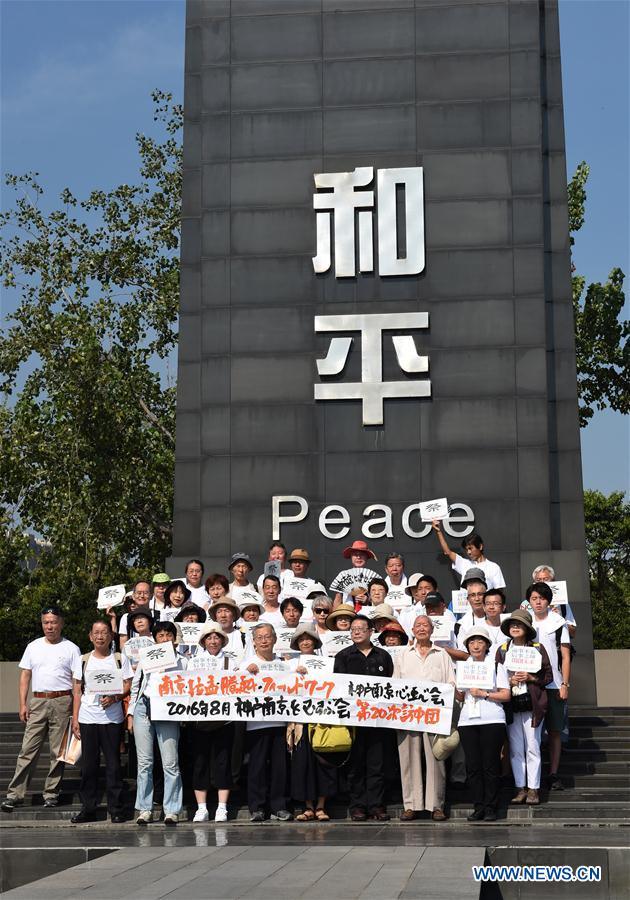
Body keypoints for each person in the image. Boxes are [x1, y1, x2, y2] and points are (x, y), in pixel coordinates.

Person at [1, 606, 82, 812]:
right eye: (46, 622)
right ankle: (15, 794)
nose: (49, 626)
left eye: (53, 622)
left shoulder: (71, 648)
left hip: (62, 701)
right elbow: (25, 676)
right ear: (42, 623)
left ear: (61, 623)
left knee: (58, 752)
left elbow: (76, 683)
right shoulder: (33, 646)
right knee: (28, 750)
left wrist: (75, 712)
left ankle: (51, 793)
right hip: (38, 701)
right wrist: (22, 703)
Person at [70, 620, 132, 823]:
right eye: (96, 632)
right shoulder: (82, 660)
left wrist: (115, 697)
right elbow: (77, 691)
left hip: (112, 719)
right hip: (88, 717)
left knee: (114, 765)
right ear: (90, 636)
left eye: (104, 632)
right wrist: (76, 718)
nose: (100, 636)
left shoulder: (120, 659)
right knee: (89, 766)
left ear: (111, 635)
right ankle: (88, 808)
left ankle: (116, 809)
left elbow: (128, 685)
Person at [394, 615, 455, 821]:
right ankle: (411, 804)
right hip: (408, 714)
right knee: (408, 759)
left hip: (435, 715)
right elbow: (394, 686)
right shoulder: (403, 655)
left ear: (432, 629)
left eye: (425, 625)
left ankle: (436, 805)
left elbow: (451, 683)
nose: (421, 628)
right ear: (412, 629)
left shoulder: (442, 654)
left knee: (436, 758)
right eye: (418, 625)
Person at [334, 616, 394, 821]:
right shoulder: (343, 656)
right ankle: (358, 806)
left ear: (371, 631)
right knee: (356, 765)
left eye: (361, 628)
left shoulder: (383, 656)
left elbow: (391, 686)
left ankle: (377, 805)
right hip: (354, 721)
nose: (356, 632)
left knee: (377, 764)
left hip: (379, 720)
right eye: (353, 629)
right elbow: (338, 688)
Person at [128, 620, 185, 826]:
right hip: (144, 706)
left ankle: (172, 810)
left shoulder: (183, 661)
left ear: (174, 638)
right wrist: (130, 714)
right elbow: (136, 686)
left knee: (170, 762)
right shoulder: (146, 659)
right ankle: (145, 809)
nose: (165, 638)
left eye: (168, 635)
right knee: (145, 763)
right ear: (155, 639)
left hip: (168, 710)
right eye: (160, 635)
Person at [495, 609, 552, 806]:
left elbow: (548, 677)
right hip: (512, 705)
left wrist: (531, 678)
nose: (515, 627)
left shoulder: (537, 648)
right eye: (512, 624)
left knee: (533, 746)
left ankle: (534, 789)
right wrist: (508, 681)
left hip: (532, 704)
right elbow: (494, 678)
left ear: (527, 628)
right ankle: (520, 788)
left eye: (519, 624)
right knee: (516, 749)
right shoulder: (502, 649)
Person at [455, 626, 511, 822]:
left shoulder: (496, 666)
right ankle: (478, 806)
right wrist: (456, 689)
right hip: (467, 720)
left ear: (487, 645)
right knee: (473, 766)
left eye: (479, 641)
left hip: (492, 719)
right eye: (471, 642)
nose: (475, 645)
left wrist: (485, 694)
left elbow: (506, 694)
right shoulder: (463, 667)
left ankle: (491, 807)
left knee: (490, 764)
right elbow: (460, 695)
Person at [239, 623, 292, 822]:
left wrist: (300, 671)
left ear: (275, 639)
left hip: (279, 722)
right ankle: (257, 807)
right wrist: (244, 674)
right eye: (259, 637)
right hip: (256, 724)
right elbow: (234, 688)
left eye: (267, 636)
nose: (263, 640)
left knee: (280, 768)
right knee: (257, 767)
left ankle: (279, 806)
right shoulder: (247, 664)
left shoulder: (284, 664)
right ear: (253, 642)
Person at [288, 625, 337, 821]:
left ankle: (321, 806)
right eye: (301, 639)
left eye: (309, 639)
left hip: (322, 718)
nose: (305, 642)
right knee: (302, 763)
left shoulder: (327, 663)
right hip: (300, 721)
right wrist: (294, 675)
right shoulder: (290, 663)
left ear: (315, 642)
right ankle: (307, 807)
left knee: (323, 762)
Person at [527, 582, 572, 791]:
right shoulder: (523, 622)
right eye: (534, 598)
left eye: (542, 598)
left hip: (554, 683)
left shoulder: (558, 622)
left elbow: (565, 656)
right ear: (529, 601)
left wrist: (565, 683)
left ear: (548, 601)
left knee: (554, 730)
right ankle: (529, 776)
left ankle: (553, 773)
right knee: (530, 731)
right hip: (531, 683)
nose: (538, 602)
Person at [190, 624, 233, 822]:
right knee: (200, 763)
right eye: (209, 638)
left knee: (222, 762)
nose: (213, 641)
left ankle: (222, 807)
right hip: (200, 721)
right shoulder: (194, 662)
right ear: (203, 641)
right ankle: (202, 808)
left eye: (217, 638)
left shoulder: (229, 661)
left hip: (223, 720)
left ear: (222, 641)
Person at [432, 521, 506, 589]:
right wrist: (439, 532)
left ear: (480, 546)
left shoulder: (493, 567)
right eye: (467, 549)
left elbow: (499, 591)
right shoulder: (464, 564)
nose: (468, 552)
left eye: (470, 548)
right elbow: (448, 552)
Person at [520, 565, 577, 638]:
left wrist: (561, 620)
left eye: (546, 579)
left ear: (553, 580)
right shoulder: (526, 604)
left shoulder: (563, 604)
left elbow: (573, 633)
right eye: (538, 580)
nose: (542, 582)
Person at [330, 539, 379, 606]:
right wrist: (335, 615)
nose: (358, 557)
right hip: (347, 613)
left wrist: (369, 600)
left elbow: (380, 600)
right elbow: (338, 599)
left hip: (368, 614)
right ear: (351, 557)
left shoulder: (374, 577)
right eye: (355, 555)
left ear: (367, 557)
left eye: (362, 555)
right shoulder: (343, 575)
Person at [208, 596, 245, 661]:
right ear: (215, 616)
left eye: (227, 611)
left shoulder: (244, 637)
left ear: (233, 615)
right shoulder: (207, 637)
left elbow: (249, 661)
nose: (223, 615)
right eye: (219, 612)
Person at [118, 581, 152, 651]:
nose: (142, 596)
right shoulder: (126, 618)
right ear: (133, 596)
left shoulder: (159, 615)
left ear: (151, 595)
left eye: (145, 593)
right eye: (139, 593)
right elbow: (123, 644)